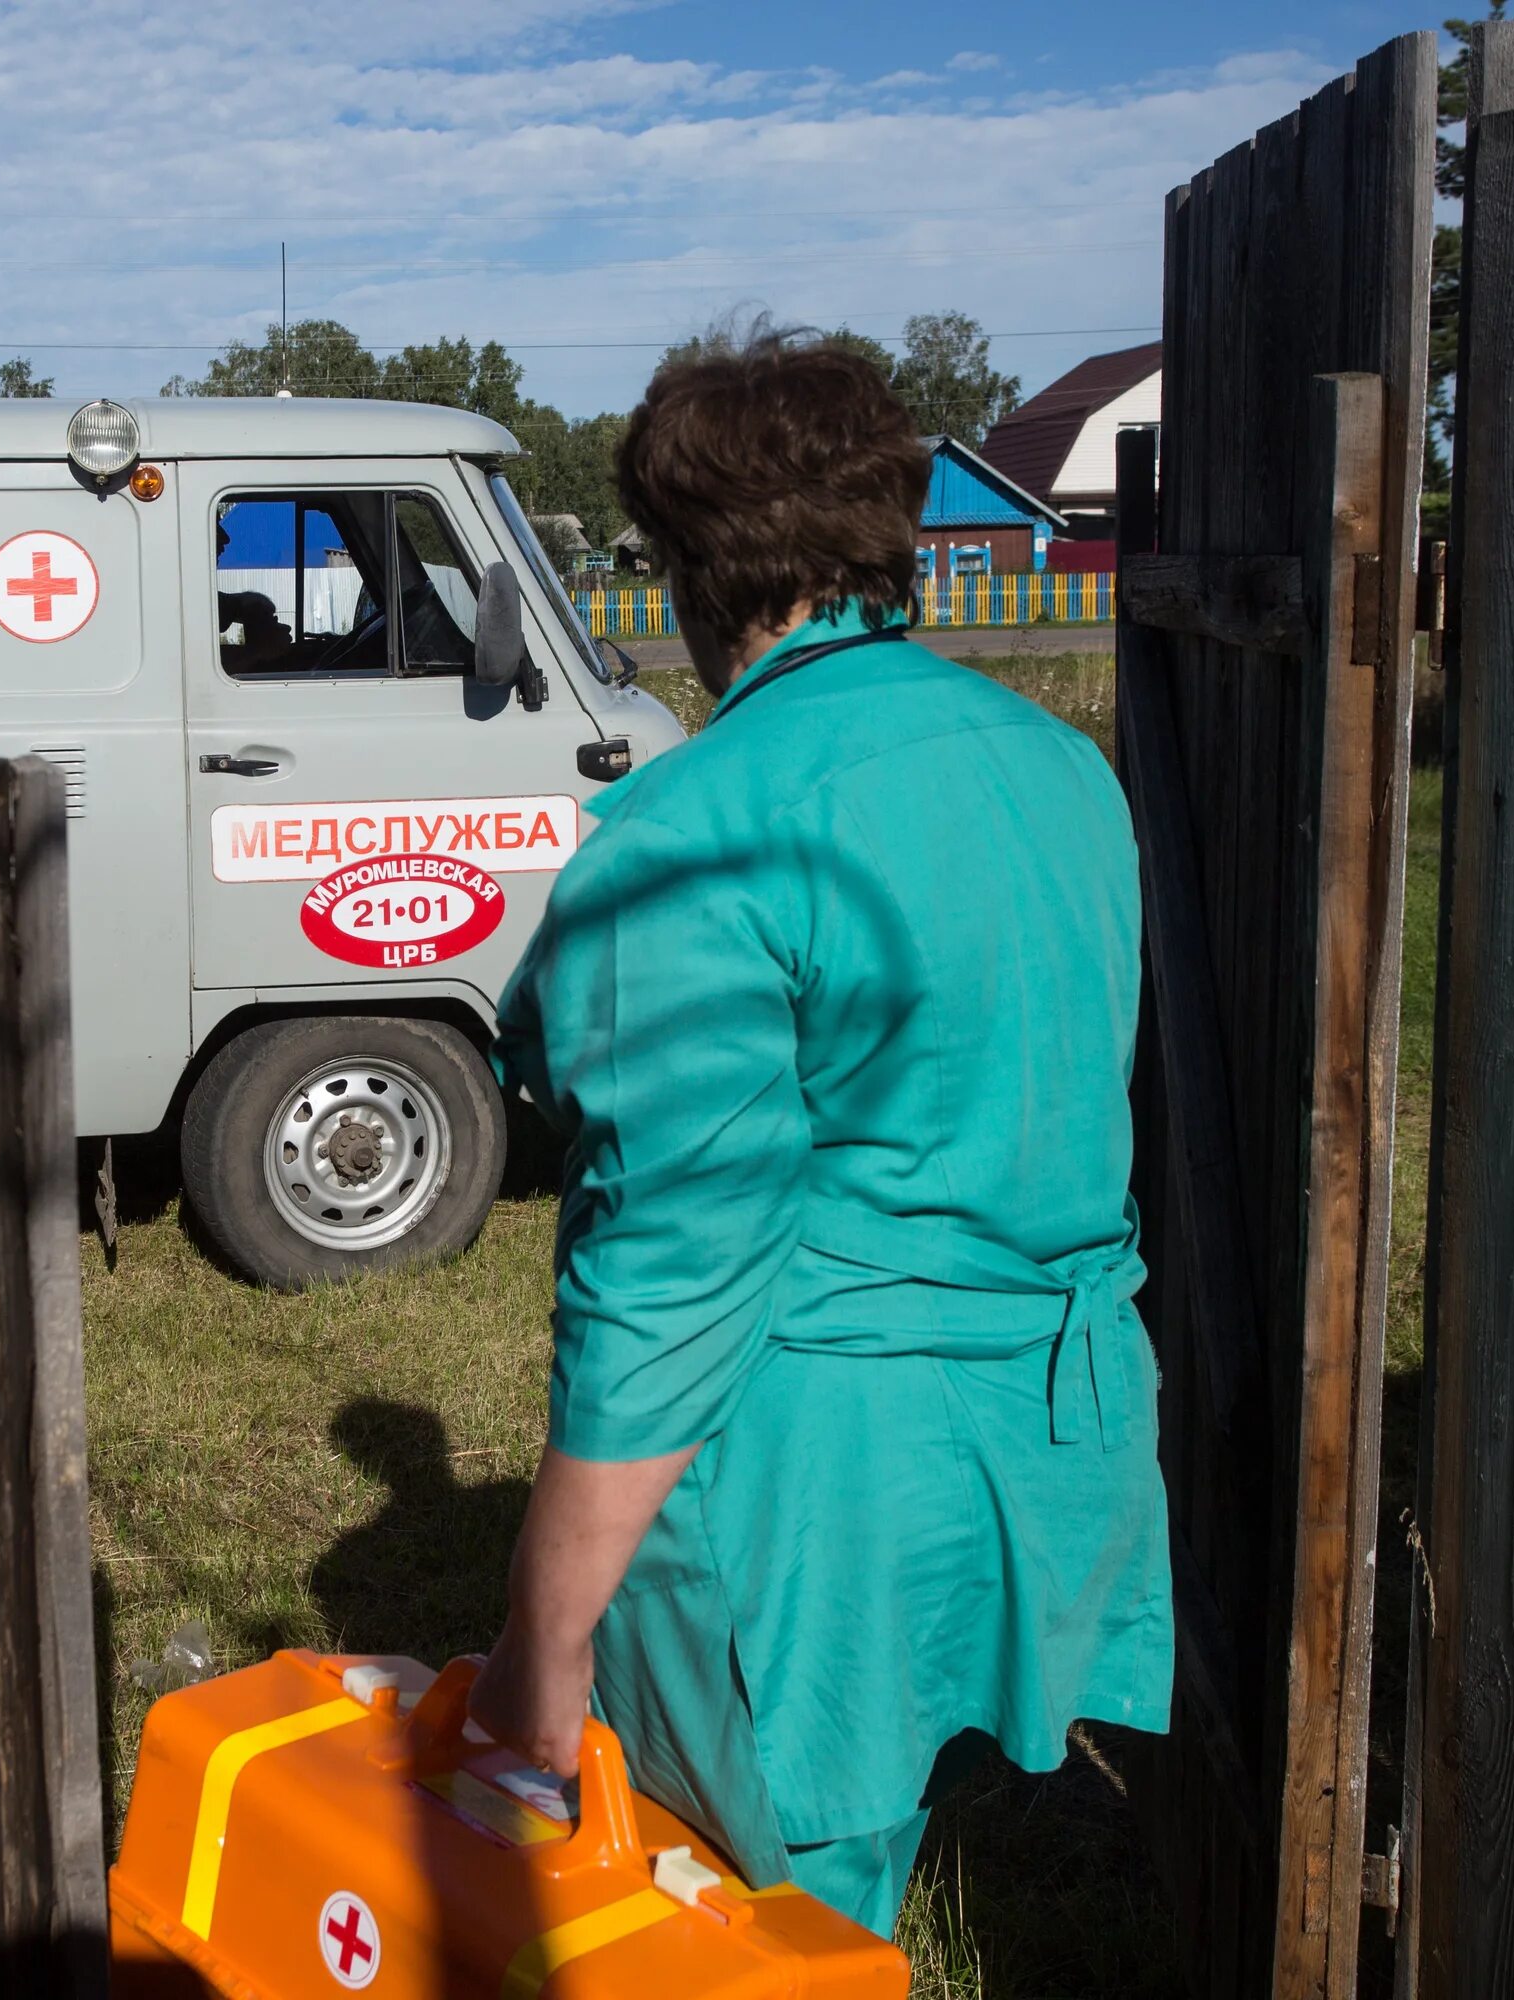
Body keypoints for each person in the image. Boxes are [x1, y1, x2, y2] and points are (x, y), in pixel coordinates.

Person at [467, 330, 1171, 1935]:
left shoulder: (698, 833)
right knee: (876, 1838)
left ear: (687, 567)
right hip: (1048, 1426)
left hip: (820, 1484)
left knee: (757, 1919)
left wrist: (542, 1639)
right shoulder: (1061, 769)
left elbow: (665, 1280)